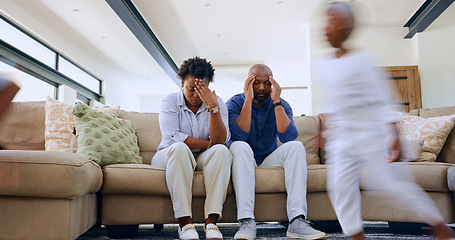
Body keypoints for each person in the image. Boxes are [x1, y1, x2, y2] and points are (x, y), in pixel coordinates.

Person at [315, 2, 455, 240]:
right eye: (326, 22)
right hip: (342, 140)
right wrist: (326, 130)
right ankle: (356, 235)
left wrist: (395, 137)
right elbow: (334, 101)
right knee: (339, 186)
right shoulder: (323, 63)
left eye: (334, 21)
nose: (327, 27)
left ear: (348, 27)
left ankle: (437, 223)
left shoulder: (362, 61)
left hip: (369, 135)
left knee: (392, 183)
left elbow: (384, 99)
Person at [226, 64, 326, 240]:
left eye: (267, 83)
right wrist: (248, 100)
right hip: (244, 160)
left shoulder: (280, 103)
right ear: (248, 83)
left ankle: (296, 221)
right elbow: (238, 135)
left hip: (267, 161)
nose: (262, 88)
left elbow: (288, 137)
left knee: (296, 147)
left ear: (273, 85)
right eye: (256, 83)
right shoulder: (235, 103)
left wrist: (276, 102)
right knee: (239, 146)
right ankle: (247, 221)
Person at [151, 57, 232, 240]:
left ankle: (211, 222)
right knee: (180, 148)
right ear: (181, 83)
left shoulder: (216, 102)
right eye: (191, 89)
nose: (196, 95)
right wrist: (209, 144)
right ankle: (184, 224)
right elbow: (173, 137)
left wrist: (213, 107)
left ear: (209, 85)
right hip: (169, 154)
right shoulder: (170, 101)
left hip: (201, 157)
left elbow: (221, 141)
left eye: (201, 89)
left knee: (221, 152)